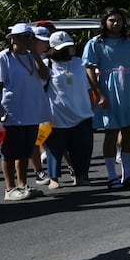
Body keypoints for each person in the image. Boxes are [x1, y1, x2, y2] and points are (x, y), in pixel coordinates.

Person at [84, 6, 130, 188]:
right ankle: (112, 175)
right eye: (112, 20)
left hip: (129, 89)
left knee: (129, 130)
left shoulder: (129, 43)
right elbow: (89, 68)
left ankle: (127, 174)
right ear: (105, 22)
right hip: (109, 88)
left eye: (119, 20)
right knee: (111, 132)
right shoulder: (95, 43)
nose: (115, 24)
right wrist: (99, 93)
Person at [0, 23, 51, 201]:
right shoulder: (4, 58)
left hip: (31, 112)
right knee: (9, 152)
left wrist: (36, 54)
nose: (26, 40)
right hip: (11, 112)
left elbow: (45, 75)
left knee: (25, 151)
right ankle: (9, 188)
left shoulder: (33, 57)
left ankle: (22, 185)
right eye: (22, 36)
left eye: (29, 36)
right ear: (13, 38)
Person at [43, 31, 94, 187]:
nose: (69, 49)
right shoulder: (47, 64)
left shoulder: (79, 62)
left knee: (83, 147)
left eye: (70, 46)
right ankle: (54, 178)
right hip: (58, 115)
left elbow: (87, 87)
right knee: (55, 149)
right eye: (65, 47)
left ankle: (81, 175)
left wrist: (92, 103)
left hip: (82, 113)